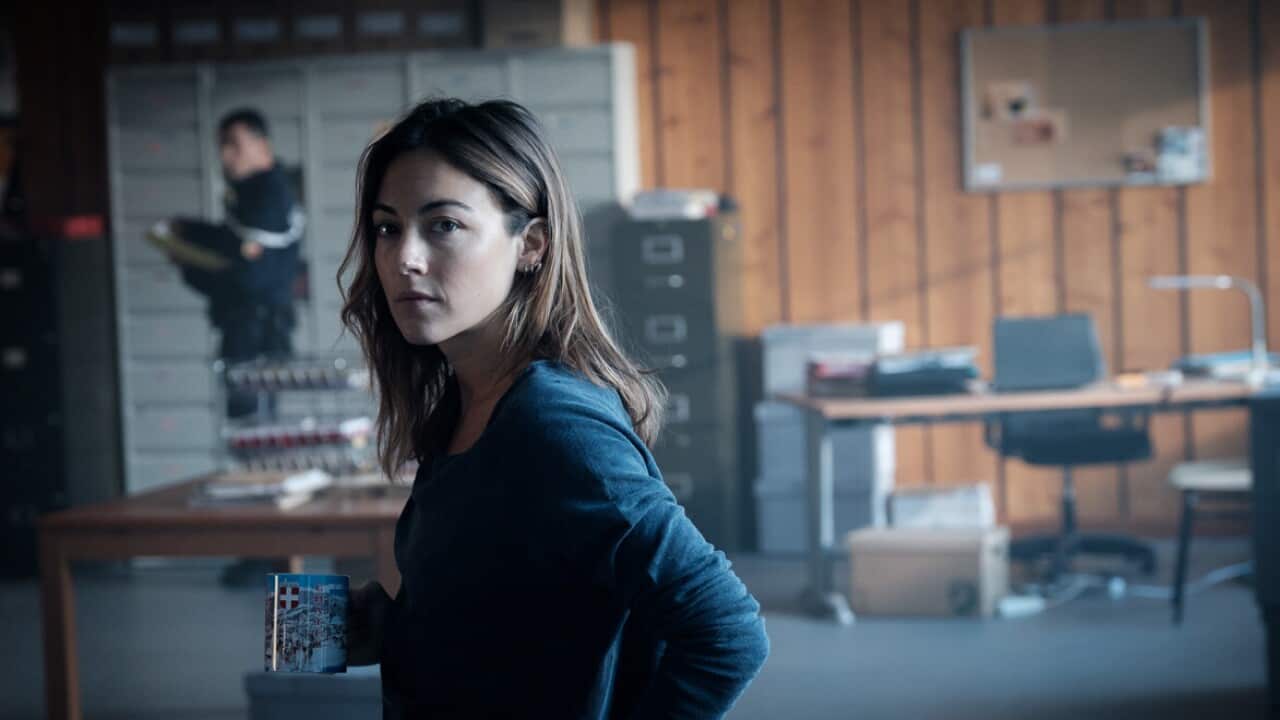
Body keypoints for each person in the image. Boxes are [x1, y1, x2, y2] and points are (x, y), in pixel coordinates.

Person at [340, 98, 768, 718]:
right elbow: (523, 620)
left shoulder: (553, 423)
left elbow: (726, 632)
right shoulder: (463, 401)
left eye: (444, 225)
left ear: (531, 245)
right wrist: (400, 628)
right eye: (387, 227)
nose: (404, 256)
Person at [155, 107, 304, 418]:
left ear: (262, 147)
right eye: (222, 145)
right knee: (248, 433)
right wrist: (189, 232)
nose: (225, 155)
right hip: (249, 333)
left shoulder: (268, 197)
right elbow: (231, 241)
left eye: (234, 144)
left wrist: (189, 265)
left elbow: (247, 277)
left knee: (254, 435)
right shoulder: (253, 194)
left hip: (257, 338)